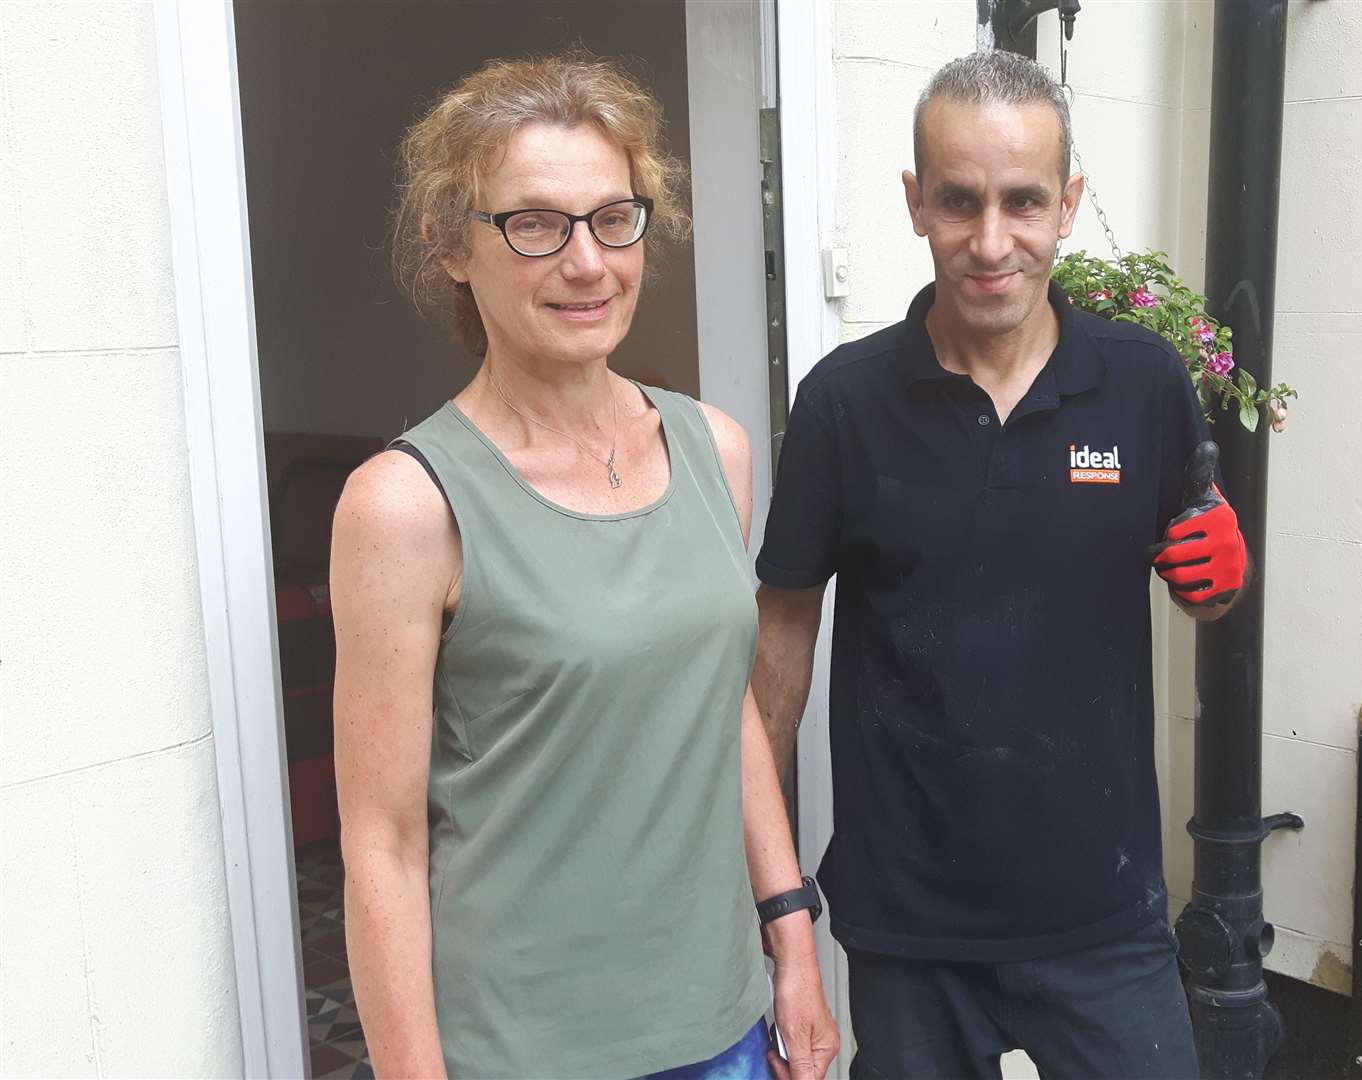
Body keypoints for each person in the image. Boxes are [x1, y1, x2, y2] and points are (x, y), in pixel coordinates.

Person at [331, 54, 837, 1079]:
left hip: (724, 1025)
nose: (587, 263)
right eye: (534, 224)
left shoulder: (715, 450)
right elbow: (380, 845)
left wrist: (790, 935)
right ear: (453, 251)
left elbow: (720, 706)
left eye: (614, 218)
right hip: (524, 1049)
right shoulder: (407, 503)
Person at [752, 49, 1250, 1080]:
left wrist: (1224, 582)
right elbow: (784, 631)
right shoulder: (844, 405)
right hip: (909, 920)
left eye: (1023, 202)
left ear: (1068, 206)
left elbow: (1204, 580)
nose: (990, 242)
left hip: (1102, 907)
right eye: (957, 201)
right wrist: (773, 886)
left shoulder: (1143, 385)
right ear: (914, 203)